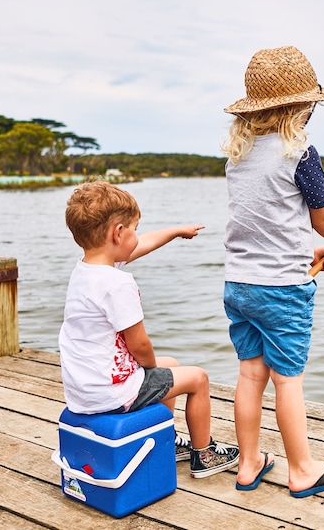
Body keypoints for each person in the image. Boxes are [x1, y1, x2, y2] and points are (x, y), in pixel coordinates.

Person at [222, 45, 324, 497]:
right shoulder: (301, 154)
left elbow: (264, 224)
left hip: (239, 284)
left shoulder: (237, 156)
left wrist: (307, 254)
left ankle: (248, 464)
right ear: (303, 106)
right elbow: (321, 217)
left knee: (249, 374)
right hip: (282, 291)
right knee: (287, 380)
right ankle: (301, 470)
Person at [59, 180, 240, 479]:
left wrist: (174, 231)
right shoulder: (118, 284)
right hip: (112, 393)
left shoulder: (86, 270)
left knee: (172, 366)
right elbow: (140, 345)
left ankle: (162, 440)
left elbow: (138, 246)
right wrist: (149, 369)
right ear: (118, 233)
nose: (137, 236)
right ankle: (204, 454)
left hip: (84, 391)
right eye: (134, 228)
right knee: (197, 378)